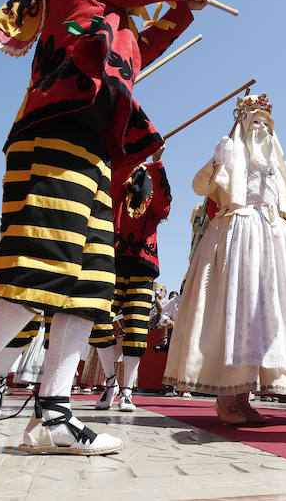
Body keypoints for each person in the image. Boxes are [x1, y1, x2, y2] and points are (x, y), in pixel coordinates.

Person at [0, 0, 210, 464]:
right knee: (39, 272)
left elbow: (143, 48)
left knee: (91, 287)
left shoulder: (106, 22)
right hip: (54, 136)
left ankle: (53, 413)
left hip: (97, 152)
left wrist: (184, 14)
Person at [163, 94, 286, 424]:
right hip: (237, 237)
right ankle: (227, 398)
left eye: (266, 123)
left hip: (272, 243)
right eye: (254, 121)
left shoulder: (275, 169)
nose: (261, 128)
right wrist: (217, 159)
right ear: (242, 123)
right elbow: (200, 186)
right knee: (237, 313)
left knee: (261, 322)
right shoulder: (229, 153)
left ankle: (243, 395)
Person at [91, 146, 172, 412]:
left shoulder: (151, 191)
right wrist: (133, 158)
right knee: (101, 325)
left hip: (141, 268)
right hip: (111, 263)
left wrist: (157, 164)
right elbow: (111, 192)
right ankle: (111, 382)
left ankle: (127, 390)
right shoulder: (119, 182)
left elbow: (164, 206)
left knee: (136, 331)